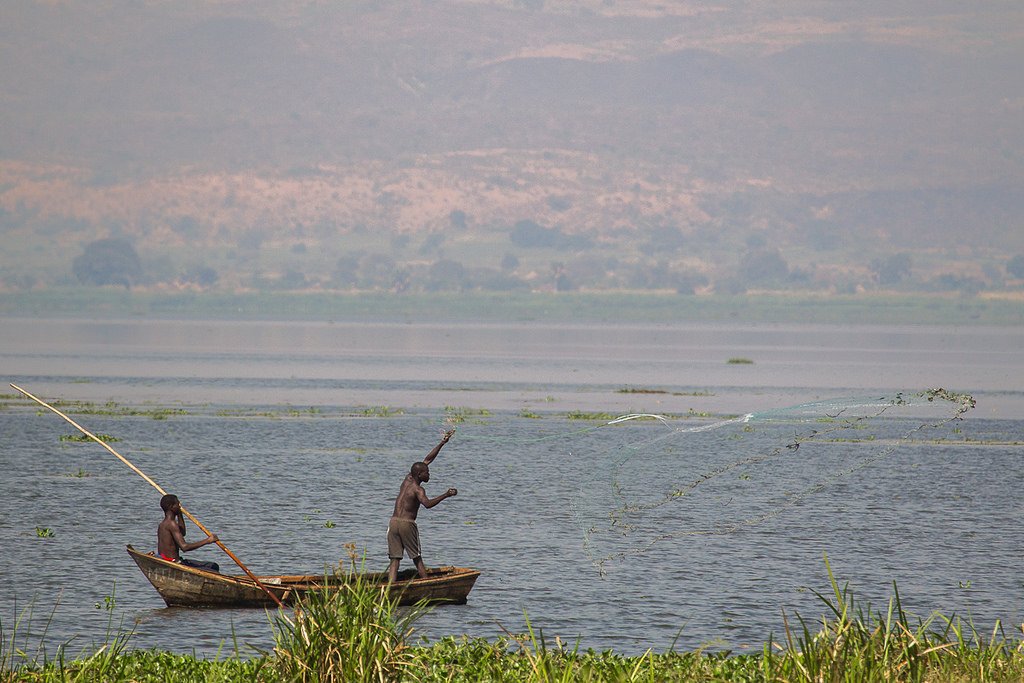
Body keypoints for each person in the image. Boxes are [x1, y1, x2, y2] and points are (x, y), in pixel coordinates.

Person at [387, 429, 458, 582]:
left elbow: (427, 460)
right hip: (407, 524)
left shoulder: (407, 479)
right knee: (417, 557)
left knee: (395, 560)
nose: (429, 474)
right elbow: (427, 504)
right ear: (420, 475)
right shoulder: (418, 489)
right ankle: (427, 585)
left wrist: (442, 443)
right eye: (427, 473)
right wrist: (446, 495)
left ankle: (390, 588)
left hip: (393, 523)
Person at [157, 493, 221, 572]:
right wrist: (208, 540)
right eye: (178, 504)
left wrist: (180, 514)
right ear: (171, 507)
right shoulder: (171, 524)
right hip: (175, 563)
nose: (180, 506)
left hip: (173, 561)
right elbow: (184, 547)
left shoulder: (163, 524)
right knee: (213, 569)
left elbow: (182, 533)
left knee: (213, 565)